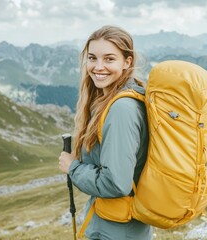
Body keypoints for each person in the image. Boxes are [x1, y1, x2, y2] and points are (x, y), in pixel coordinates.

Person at [58, 25, 152, 240]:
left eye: (109, 59)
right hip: (115, 224)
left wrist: (72, 167)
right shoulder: (111, 101)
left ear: (127, 62)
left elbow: (116, 183)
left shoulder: (122, 109)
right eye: (92, 58)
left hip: (118, 230)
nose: (98, 67)